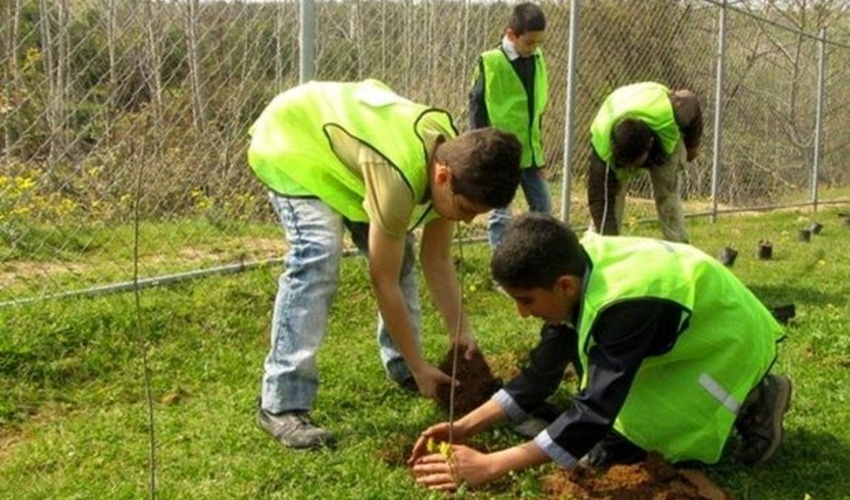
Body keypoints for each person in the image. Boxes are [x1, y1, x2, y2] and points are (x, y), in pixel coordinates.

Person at [409, 213, 792, 490]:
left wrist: (492, 464)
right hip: (680, 330)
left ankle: (758, 396)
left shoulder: (621, 305)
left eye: (526, 300)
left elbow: (594, 411)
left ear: (563, 286)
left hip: (726, 341)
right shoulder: (575, 266)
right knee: (612, 437)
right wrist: (463, 426)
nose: (521, 313)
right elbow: (541, 373)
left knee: (647, 446)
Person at [247, 79, 522, 450]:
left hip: (350, 158)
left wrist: (462, 334)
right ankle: (282, 403)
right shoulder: (399, 177)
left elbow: (437, 260)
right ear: (442, 177)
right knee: (318, 254)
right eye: (466, 211)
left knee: (402, 254)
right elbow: (383, 281)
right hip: (295, 139)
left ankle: (403, 368)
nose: (468, 221)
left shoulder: (457, 161)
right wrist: (421, 365)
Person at [469, 2, 551, 250]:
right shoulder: (490, 62)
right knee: (500, 215)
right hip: (500, 153)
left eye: (539, 42)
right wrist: (481, 151)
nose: (534, 48)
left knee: (543, 208)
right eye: (529, 42)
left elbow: (536, 109)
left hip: (529, 153)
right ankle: (500, 266)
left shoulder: (537, 58)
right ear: (511, 34)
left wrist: (539, 155)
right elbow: (476, 106)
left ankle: (536, 257)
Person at [588, 81, 703, 243]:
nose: (632, 169)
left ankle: (679, 248)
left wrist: (692, 146)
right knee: (611, 199)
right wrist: (609, 244)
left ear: (649, 145)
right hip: (620, 113)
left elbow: (692, 100)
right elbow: (599, 199)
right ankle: (598, 247)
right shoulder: (603, 147)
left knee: (667, 195)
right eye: (626, 165)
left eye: (634, 164)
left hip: (660, 128)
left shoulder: (675, 111)